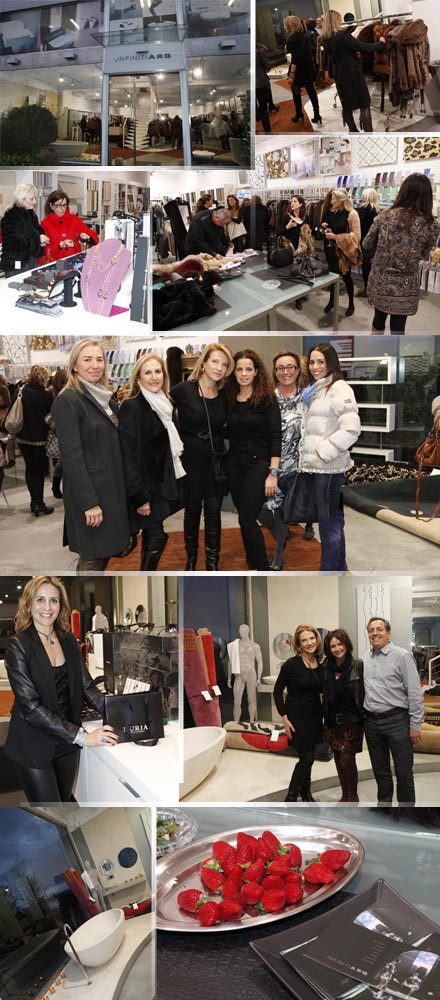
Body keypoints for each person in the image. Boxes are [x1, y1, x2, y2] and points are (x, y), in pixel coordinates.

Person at [4, 576, 118, 804]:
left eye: (53, 600)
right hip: (34, 744)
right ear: (29, 604)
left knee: (64, 803)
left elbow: (86, 687)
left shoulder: (68, 641)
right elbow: (30, 706)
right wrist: (83, 737)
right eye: (40, 600)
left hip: (66, 744)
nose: (47, 607)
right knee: (51, 810)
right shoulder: (18, 645)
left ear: (60, 605)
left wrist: (120, 713)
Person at [52, 339, 130, 572]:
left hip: (111, 491)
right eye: (87, 359)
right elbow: (72, 458)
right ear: (74, 365)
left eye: (99, 359)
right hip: (92, 494)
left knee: (105, 552)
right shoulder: (68, 400)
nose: (95, 365)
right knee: (93, 555)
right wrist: (89, 503)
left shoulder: (105, 397)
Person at [170, 343, 235, 571]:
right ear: (204, 362)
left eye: (224, 364)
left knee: (214, 515)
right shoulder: (183, 390)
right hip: (191, 460)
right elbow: (161, 410)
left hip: (215, 461)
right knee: (192, 512)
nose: (219, 368)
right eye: (215, 361)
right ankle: (191, 560)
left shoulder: (224, 394)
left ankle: (212, 562)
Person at [118, 354, 186, 571]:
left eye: (158, 372)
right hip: (145, 487)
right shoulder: (131, 407)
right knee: (155, 535)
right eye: (147, 372)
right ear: (138, 378)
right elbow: (127, 455)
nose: (154, 377)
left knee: (154, 535)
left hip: (163, 482)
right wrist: (140, 497)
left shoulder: (166, 404)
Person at [301, 343, 361, 571]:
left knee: (328, 523)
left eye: (321, 362)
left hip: (328, 468)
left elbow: (351, 429)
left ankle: (329, 571)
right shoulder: (317, 388)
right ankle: (339, 568)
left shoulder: (339, 388)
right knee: (332, 520)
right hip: (318, 468)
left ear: (331, 363)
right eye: (312, 362)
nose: (315, 366)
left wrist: (323, 451)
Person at [225, 349, 281, 571]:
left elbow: (276, 437)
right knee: (245, 517)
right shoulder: (228, 398)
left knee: (247, 519)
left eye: (248, 369)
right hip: (234, 465)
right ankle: (252, 561)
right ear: (234, 372)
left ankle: (261, 567)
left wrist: (273, 473)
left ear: (257, 371)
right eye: (239, 369)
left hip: (258, 465)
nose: (244, 373)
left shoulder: (267, 400)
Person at [362, 174, 439, 334]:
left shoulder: (384, 216)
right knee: (398, 326)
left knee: (378, 318)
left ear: (403, 191)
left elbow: (366, 244)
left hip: (381, 280)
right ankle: (394, 349)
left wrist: (382, 252)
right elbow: (424, 253)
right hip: (406, 284)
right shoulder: (431, 224)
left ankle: (376, 346)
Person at [259, 351, 314, 571]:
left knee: (284, 507)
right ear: (275, 372)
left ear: (298, 370)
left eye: (290, 367)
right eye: (281, 368)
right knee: (260, 508)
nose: (286, 372)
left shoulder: (308, 399)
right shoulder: (266, 399)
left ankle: (278, 555)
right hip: (271, 462)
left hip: (298, 463)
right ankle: (281, 534)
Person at [363, 617, 424, 806]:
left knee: (404, 772)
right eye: (371, 630)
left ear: (388, 632)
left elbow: (414, 692)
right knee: (380, 772)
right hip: (371, 722)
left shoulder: (402, 656)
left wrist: (415, 725)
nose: (375, 633)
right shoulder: (364, 658)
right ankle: (384, 810)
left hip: (397, 720)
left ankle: (407, 814)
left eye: (379, 629)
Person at [274, 624, 324, 802]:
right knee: (307, 758)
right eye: (304, 640)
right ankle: (291, 796)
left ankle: (306, 791)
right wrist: (284, 718)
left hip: (315, 717)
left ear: (317, 639)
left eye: (311, 638)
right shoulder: (291, 664)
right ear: (299, 644)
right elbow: (277, 692)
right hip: (297, 717)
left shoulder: (319, 663)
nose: (309, 643)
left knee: (308, 754)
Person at [321, 10, 385, 132]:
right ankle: (368, 136)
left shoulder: (325, 38)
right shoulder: (343, 35)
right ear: (336, 20)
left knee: (346, 104)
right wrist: (380, 44)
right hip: (352, 71)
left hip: (339, 72)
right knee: (364, 104)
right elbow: (362, 47)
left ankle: (353, 131)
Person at [322, 628, 364, 802]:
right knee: (338, 759)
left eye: (340, 644)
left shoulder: (357, 665)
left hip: (351, 721)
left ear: (346, 644)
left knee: (347, 759)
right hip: (331, 721)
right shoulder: (326, 667)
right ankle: (344, 794)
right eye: (333, 646)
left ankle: (353, 796)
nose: (337, 648)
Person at [15, 365, 53, 518]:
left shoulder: (20, 392)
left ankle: (33, 501)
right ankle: (39, 502)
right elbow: (51, 416)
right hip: (40, 439)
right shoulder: (46, 395)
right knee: (38, 471)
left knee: (29, 469)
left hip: (23, 437)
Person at [321, 188, 361, 317]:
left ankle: (351, 304)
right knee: (333, 276)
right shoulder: (337, 212)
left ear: (340, 200)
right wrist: (328, 230)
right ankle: (332, 301)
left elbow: (357, 236)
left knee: (347, 277)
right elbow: (335, 228)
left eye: (333, 199)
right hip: (333, 250)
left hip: (344, 253)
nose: (331, 201)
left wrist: (336, 237)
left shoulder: (352, 214)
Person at [1, 183, 49, 277]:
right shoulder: (11, 217)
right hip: (16, 264)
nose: (35, 202)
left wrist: (40, 240)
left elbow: (36, 233)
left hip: (31, 261)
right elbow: (13, 244)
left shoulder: (31, 216)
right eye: (32, 199)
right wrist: (38, 240)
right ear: (22, 199)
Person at [41, 190, 99, 262]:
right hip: (56, 263)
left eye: (64, 205)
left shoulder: (74, 219)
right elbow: (46, 250)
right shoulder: (45, 224)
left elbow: (93, 237)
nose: (62, 209)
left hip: (75, 260)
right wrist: (61, 245)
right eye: (58, 206)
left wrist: (87, 237)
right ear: (51, 206)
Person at [284, 15, 322, 125]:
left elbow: (295, 58)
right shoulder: (304, 36)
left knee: (296, 91)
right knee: (311, 90)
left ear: (289, 26)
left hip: (298, 69)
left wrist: (292, 74)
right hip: (308, 66)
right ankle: (317, 114)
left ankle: (299, 113)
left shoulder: (291, 40)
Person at [227, 624, 263, 724]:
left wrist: (259, 677)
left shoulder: (255, 646)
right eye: (240, 631)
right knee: (236, 701)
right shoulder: (235, 645)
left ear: (248, 631)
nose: (242, 633)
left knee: (251, 699)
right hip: (239, 675)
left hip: (251, 673)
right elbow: (230, 662)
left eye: (244, 631)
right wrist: (229, 677)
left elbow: (260, 662)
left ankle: (251, 721)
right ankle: (236, 723)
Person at [357, 187, 380, 297]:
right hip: (375, 242)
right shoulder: (377, 210)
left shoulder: (363, 209)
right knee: (372, 266)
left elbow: (360, 226)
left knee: (365, 265)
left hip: (364, 240)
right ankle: (373, 288)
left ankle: (367, 289)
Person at [256, 43, 273, 134]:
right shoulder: (259, 51)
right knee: (263, 108)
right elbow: (268, 66)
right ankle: (267, 132)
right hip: (261, 82)